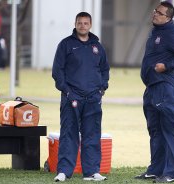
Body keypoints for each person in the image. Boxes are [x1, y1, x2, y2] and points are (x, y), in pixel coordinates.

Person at [136, 1, 174, 183]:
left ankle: (171, 173)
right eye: (155, 11)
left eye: (159, 13)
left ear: (168, 17)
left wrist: (167, 66)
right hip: (152, 88)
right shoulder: (156, 32)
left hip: (164, 87)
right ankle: (156, 170)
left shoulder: (171, 33)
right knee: (155, 130)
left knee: (171, 130)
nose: (155, 14)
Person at [52, 12, 110, 182]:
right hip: (72, 97)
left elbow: (105, 69)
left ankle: (92, 172)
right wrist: (67, 91)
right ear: (75, 24)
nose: (82, 26)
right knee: (68, 134)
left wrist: (102, 88)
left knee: (92, 134)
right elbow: (57, 71)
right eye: (80, 23)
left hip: (93, 98)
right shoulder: (66, 44)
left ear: (90, 25)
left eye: (86, 23)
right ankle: (63, 172)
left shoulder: (97, 46)